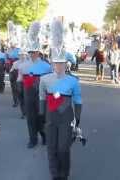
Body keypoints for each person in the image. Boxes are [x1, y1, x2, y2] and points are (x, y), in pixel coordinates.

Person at [39, 18, 82, 180]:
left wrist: (77, 118)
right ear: (51, 63)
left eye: (61, 63)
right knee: (51, 148)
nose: (58, 66)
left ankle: (64, 173)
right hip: (50, 117)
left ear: (66, 64)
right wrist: (42, 115)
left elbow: (77, 100)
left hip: (66, 117)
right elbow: (42, 96)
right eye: (55, 63)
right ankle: (55, 174)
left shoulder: (73, 81)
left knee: (63, 148)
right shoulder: (45, 79)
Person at [22, 21, 52, 149]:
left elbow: (50, 80)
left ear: (38, 52)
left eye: (34, 52)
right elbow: (20, 79)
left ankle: (44, 135)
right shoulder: (24, 65)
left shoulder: (46, 66)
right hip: (28, 93)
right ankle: (32, 139)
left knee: (41, 116)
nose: (31, 54)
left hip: (41, 93)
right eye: (30, 52)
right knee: (30, 117)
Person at [11, 48, 28, 118]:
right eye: (21, 55)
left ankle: (27, 112)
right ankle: (23, 112)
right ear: (18, 56)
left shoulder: (29, 63)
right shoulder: (15, 63)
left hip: (27, 82)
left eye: (23, 55)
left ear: (26, 55)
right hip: (19, 82)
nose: (22, 56)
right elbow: (11, 72)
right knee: (21, 97)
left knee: (27, 98)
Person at [7, 42, 21, 107]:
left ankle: (20, 100)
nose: (12, 44)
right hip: (12, 68)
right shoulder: (8, 50)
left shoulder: (19, 50)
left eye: (13, 43)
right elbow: (6, 59)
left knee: (19, 85)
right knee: (13, 85)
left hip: (19, 68)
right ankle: (15, 101)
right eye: (11, 43)